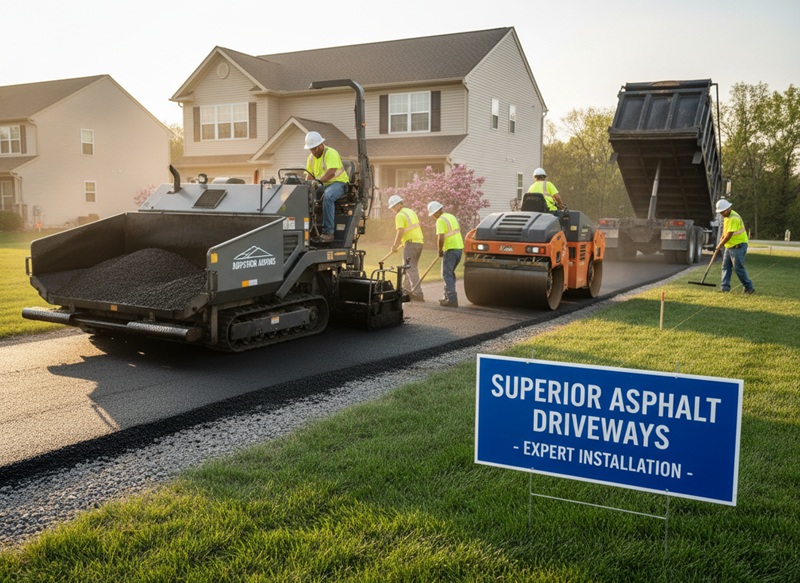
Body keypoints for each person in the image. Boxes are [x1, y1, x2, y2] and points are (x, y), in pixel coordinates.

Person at [304, 131, 349, 243]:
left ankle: (328, 232)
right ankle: (308, 229)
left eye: (315, 148)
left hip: (339, 183)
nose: (314, 151)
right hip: (322, 185)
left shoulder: (331, 153)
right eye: (311, 149)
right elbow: (309, 176)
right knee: (305, 196)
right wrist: (306, 187)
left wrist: (317, 182)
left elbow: (331, 173)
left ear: (321, 144)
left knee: (328, 196)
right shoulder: (311, 158)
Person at [388, 194, 425, 301]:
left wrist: (394, 245)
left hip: (411, 243)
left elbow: (400, 231)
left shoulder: (400, 215)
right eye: (393, 207)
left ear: (400, 204)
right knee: (409, 267)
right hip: (419, 242)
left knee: (410, 268)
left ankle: (418, 294)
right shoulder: (410, 211)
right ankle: (406, 291)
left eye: (395, 206)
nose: (394, 209)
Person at [428, 201, 464, 307]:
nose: (433, 216)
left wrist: (439, 250)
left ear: (436, 212)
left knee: (446, 274)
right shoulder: (451, 216)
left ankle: (452, 300)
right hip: (459, 248)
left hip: (450, 249)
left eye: (433, 214)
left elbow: (441, 237)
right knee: (450, 273)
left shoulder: (440, 220)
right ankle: (447, 297)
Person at [715, 198, 755, 294]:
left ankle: (749, 287)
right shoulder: (726, 216)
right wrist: (721, 238)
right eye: (720, 212)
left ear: (728, 208)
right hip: (730, 246)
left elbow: (729, 235)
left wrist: (720, 244)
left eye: (722, 212)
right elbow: (725, 231)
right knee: (725, 267)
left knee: (738, 268)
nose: (721, 214)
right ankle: (725, 288)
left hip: (738, 246)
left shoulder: (734, 218)